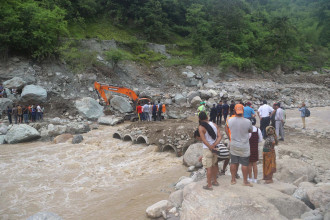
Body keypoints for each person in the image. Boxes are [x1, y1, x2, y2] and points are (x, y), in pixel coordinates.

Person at [227, 104, 253, 186]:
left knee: (233, 162)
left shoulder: (229, 120)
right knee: (244, 164)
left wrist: (229, 137)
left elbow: (227, 129)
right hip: (244, 145)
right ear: (243, 111)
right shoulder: (248, 121)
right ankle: (245, 181)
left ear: (234, 111)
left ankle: (233, 179)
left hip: (234, 144)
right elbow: (250, 131)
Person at [198, 111, 222, 190]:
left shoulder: (201, 127)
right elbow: (219, 137)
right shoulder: (214, 125)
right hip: (215, 148)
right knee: (215, 165)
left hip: (207, 149)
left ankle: (209, 185)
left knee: (208, 168)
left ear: (199, 119)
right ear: (207, 117)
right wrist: (214, 145)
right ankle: (215, 181)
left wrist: (210, 147)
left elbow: (204, 140)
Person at [248, 118, 263, 183]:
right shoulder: (258, 130)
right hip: (255, 148)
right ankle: (255, 179)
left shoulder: (247, 130)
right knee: (254, 164)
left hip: (248, 148)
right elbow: (260, 140)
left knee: (249, 164)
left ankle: (250, 178)